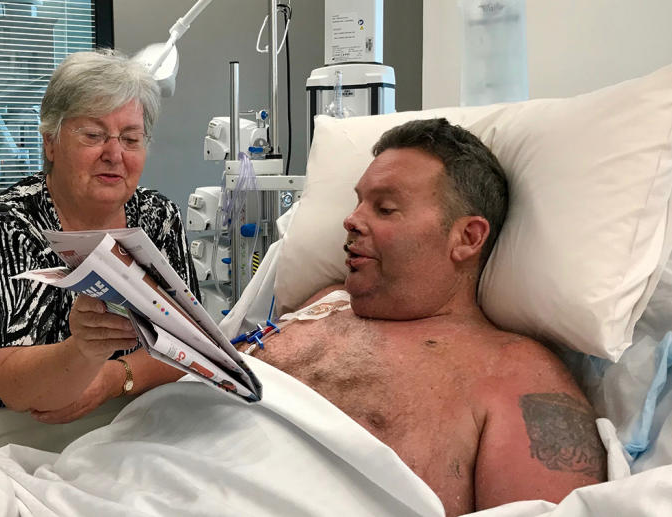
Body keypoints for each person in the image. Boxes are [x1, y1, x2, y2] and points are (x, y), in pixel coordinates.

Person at [250, 118, 606, 516]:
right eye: (358, 202)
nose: (351, 220)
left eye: (385, 208)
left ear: (467, 238)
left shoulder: (516, 375)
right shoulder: (321, 304)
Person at [0, 49, 197, 425]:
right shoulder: (5, 226)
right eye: (94, 135)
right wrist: (84, 350)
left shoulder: (158, 219)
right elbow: (15, 388)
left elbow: (188, 348)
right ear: (50, 143)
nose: (114, 154)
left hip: (118, 425)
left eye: (131, 139)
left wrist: (112, 377)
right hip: (1, 432)